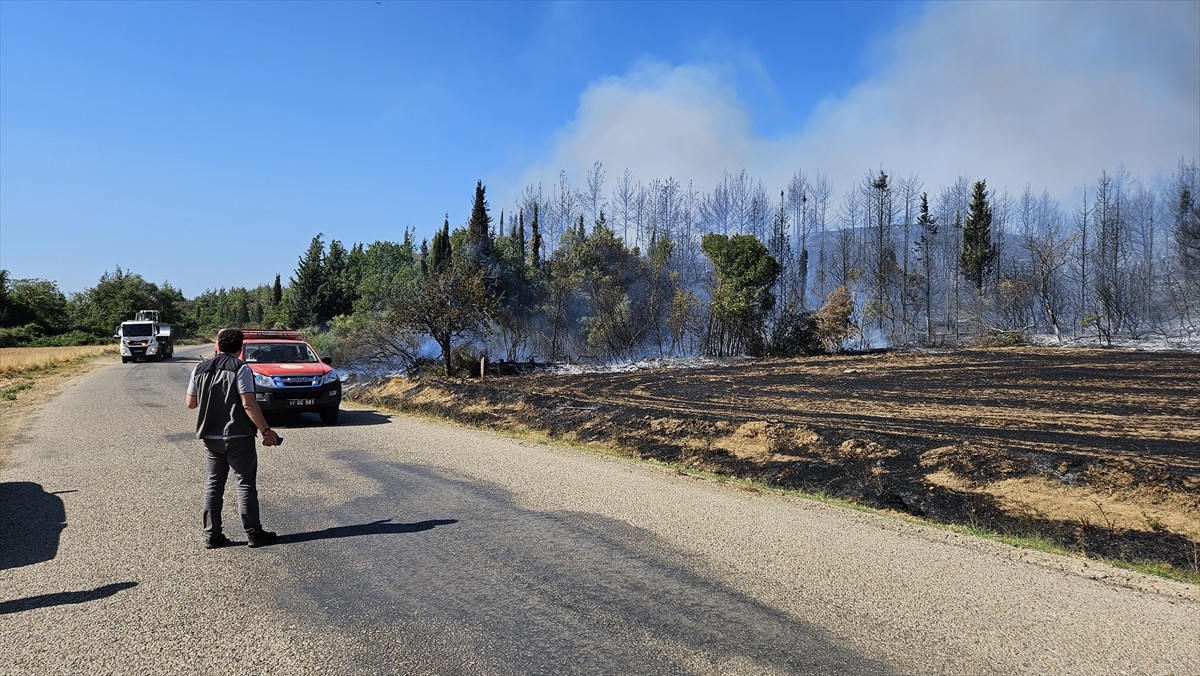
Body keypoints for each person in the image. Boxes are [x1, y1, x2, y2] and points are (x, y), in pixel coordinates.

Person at [185, 328, 280, 549]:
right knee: (245, 484)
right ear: (240, 347)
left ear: (217, 345)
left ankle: (212, 535)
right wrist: (267, 432)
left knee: (213, 485)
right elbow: (248, 404)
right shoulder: (241, 368)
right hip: (238, 435)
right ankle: (254, 533)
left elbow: (191, 403)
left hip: (210, 436)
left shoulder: (199, 368)